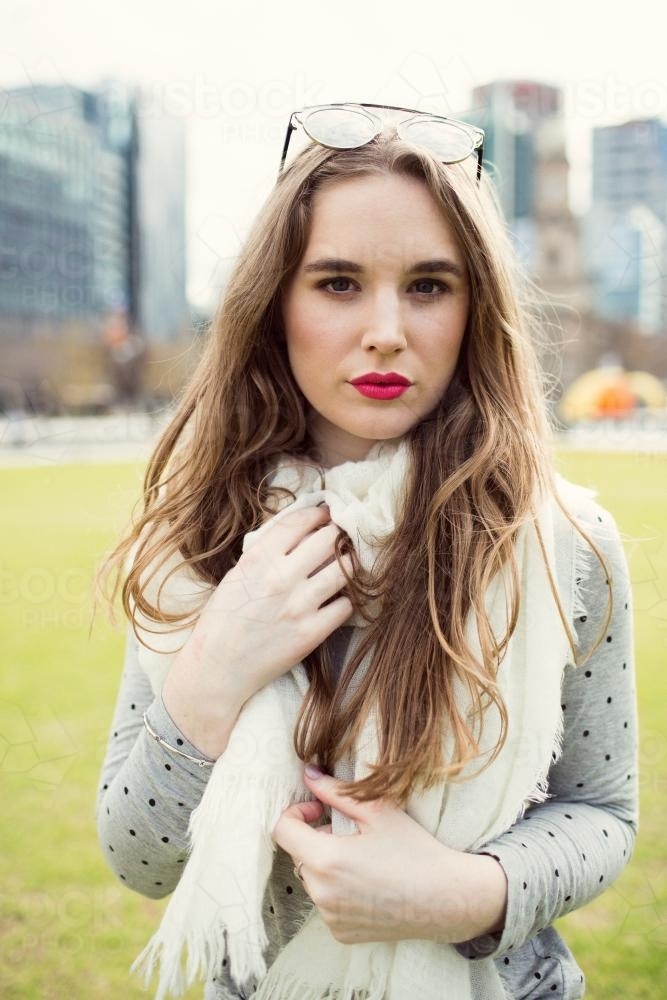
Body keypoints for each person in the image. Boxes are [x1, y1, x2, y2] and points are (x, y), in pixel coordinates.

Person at [96, 103, 638, 1000]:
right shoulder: (200, 539)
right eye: (338, 283)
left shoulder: (563, 541)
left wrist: (465, 895)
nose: (386, 328)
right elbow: (139, 859)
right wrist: (216, 666)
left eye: (428, 285)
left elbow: (602, 812)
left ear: (474, 309)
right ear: (275, 306)